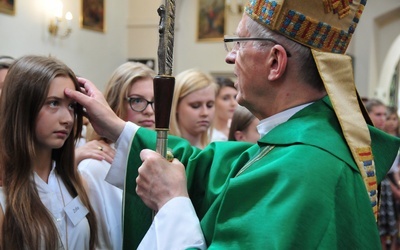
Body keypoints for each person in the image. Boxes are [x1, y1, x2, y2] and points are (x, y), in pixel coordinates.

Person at [65, 0, 400, 249]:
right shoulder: (300, 146)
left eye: (238, 43)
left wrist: (171, 202)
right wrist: (118, 127)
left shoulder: (306, 169)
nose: (229, 57)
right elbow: (210, 171)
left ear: (274, 62)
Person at [0, 55, 97, 250]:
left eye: (71, 106)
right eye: (53, 103)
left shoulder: (78, 184)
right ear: (23, 107)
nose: (68, 119)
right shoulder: (5, 196)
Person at [77, 61, 156, 250]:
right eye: (137, 100)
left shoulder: (161, 159)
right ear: (113, 105)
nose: (149, 111)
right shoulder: (94, 167)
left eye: (155, 101)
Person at [169, 68, 218, 148]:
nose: (205, 113)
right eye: (195, 106)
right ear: (176, 106)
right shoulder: (162, 151)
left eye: (210, 105)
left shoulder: (215, 152)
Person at [211, 76, 238, 142]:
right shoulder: (206, 134)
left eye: (235, 97)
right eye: (225, 98)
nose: (233, 103)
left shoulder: (238, 129)